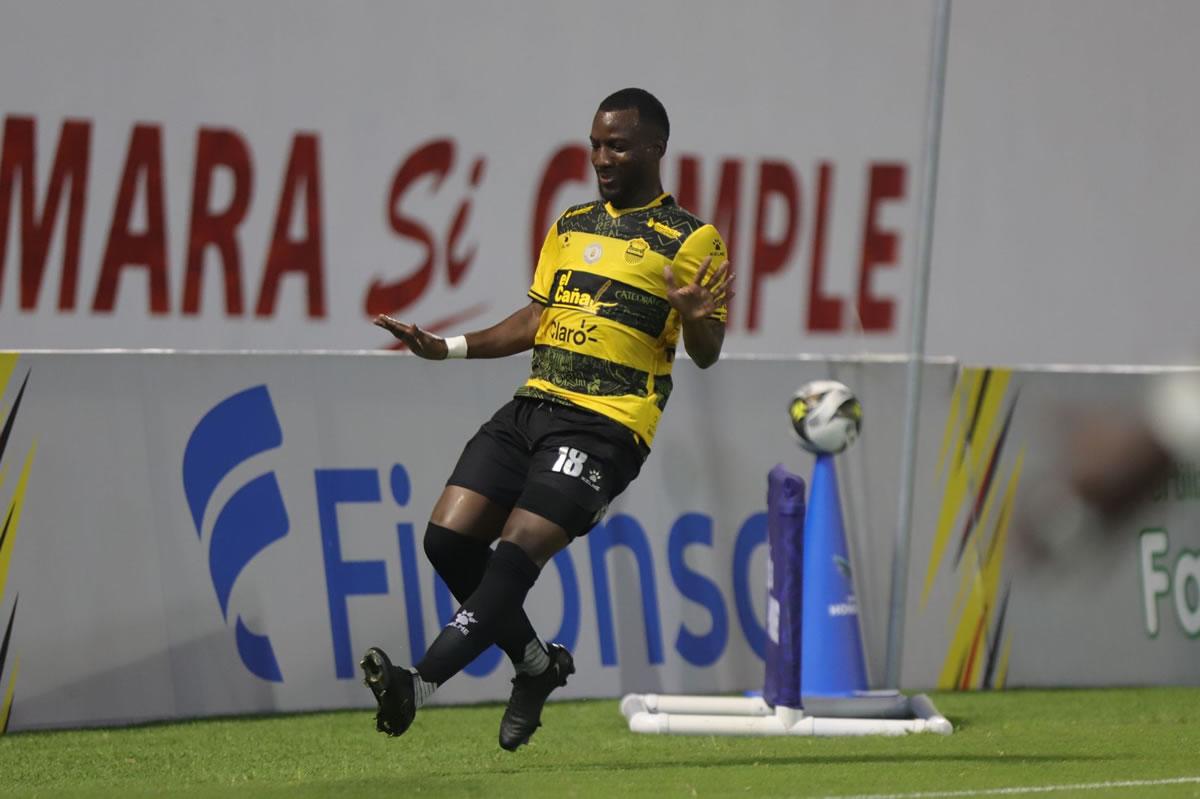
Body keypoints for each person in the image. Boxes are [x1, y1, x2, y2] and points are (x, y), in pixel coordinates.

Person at [361, 87, 734, 751]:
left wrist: (699, 319)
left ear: (654, 148)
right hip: (533, 406)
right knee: (447, 541)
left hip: (606, 424)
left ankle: (418, 681)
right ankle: (535, 666)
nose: (601, 156)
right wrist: (445, 346)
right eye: (595, 143)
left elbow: (707, 355)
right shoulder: (570, 224)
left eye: (616, 144)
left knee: (517, 551)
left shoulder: (693, 239)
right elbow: (537, 318)